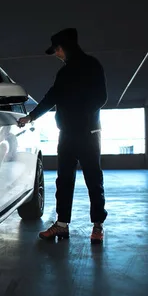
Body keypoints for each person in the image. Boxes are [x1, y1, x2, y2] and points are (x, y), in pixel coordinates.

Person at [18, 28, 108, 244]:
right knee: (64, 180)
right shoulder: (64, 73)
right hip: (66, 135)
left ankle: (97, 226)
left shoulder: (92, 66)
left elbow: (101, 97)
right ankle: (62, 225)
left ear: (65, 47)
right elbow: (52, 97)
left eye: (57, 49)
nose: (56, 54)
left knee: (93, 180)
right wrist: (31, 117)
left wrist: (82, 116)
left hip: (88, 133)